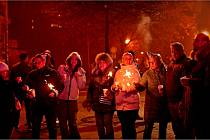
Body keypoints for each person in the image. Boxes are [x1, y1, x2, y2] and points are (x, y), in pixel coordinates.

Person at [25, 54, 64, 139]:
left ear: (44, 62)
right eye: (35, 62)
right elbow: (27, 86)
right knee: (35, 127)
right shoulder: (32, 74)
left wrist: (55, 93)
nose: (37, 64)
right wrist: (28, 92)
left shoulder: (53, 72)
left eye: (39, 62)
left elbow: (60, 86)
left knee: (52, 127)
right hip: (36, 104)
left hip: (50, 104)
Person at [180, 33, 210, 138]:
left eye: (197, 40)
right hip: (196, 102)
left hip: (204, 103)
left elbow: (206, 82)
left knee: (203, 132)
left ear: (205, 42)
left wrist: (190, 82)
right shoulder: (197, 59)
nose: (194, 42)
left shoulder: (207, 59)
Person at [136, 52, 169, 139]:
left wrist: (165, 90)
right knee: (148, 128)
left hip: (163, 105)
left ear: (159, 62)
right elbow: (142, 86)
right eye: (150, 62)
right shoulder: (147, 73)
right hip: (151, 105)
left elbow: (170, 85)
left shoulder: (166, 72)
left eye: (153, 62)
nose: (151, 64)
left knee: (163, 128)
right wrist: (138, 87)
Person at [84, 52, 116, 139]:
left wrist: (111, 91)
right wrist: (89, 101)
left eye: (103, 62)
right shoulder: (94, 74)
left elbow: (116, 87)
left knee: (108, 124)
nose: (101, 64)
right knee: (100, 126)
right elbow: (90, 89)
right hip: (97, 104)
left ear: (108, 63)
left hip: (108, 104)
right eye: (99, 62)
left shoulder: (112, 74)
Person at [166, 42, 194, 139]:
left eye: (175, 51)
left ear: (181, 51)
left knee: (185, 127)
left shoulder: (186, 63)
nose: (173, 53)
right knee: (176, 127)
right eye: (172, 51)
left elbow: (187, 85)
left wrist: (183, 101)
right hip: (171, 101)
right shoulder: (171, 64)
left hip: (181, 101)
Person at [57, 52, 86, 139]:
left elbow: (82, 86)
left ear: (78, 61)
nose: (74, 60)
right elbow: (57, 82)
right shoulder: (62, 68)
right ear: (69, 60)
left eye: (76, 59)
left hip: (73, 100)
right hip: (62, 99)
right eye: (72, 58)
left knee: (72, 122)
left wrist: (78, 77)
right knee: (62, 122)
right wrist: (62, 79)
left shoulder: (81, 71)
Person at [112, 52, 141, 139]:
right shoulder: (118, 72)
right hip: (120, 105)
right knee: (124, 127)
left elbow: (137, 86)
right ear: (122, 60)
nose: (128, 60)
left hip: (132, 104)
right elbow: (115, 84)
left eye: (130, 58)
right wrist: (114, 88)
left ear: (132, 60)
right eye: (126, 58)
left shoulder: (135, 72)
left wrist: (125, 89)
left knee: (130, 126)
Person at [10, 52, 33, 129]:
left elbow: (12, 80)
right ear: (26, 58)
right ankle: (29, 123)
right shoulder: (29, 68)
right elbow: (30, 80)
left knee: (17, 108)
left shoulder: (14, 67)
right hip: (26, 90)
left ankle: (15, 124)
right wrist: (27, 87)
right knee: (28, 108)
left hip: (17, 90)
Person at [0, 61, 16, 138]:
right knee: (5, 131)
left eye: (6, 71)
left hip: (9, 110)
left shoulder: (7, 82)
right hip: (4, 111)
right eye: (3, 72)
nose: (5, 73)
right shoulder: (5, 83)